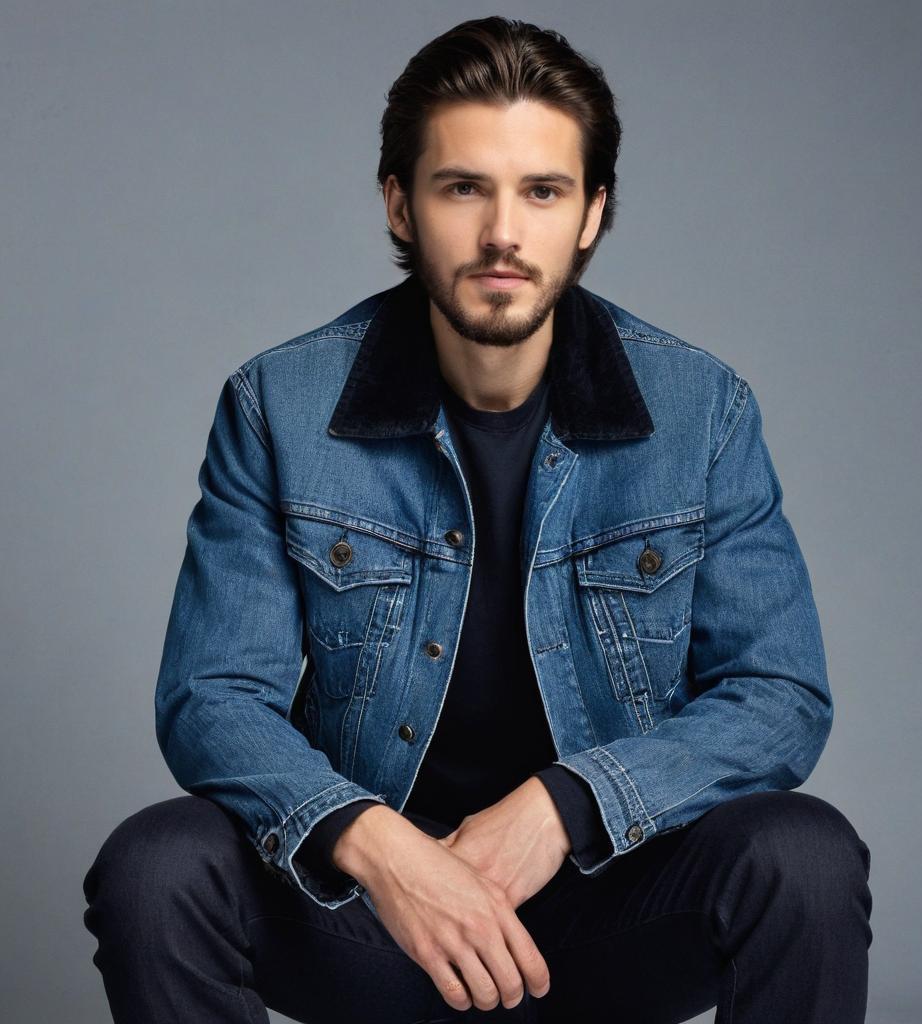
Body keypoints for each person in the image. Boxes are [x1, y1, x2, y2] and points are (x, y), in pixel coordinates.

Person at [82, 15, 872, 1023]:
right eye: (464, 187)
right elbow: (210, 696)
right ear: (400, 205)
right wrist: (381, 848)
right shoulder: (279, 405)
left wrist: (562, 809)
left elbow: (778, 693)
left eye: (541, 191)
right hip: (376, 917)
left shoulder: (699, 410)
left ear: (591, 212)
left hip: (612, 912)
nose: (503, 233)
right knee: (156, 866)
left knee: (800, 853)